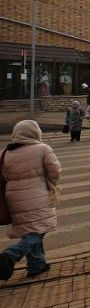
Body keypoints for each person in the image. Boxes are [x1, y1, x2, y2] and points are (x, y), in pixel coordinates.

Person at [0, 120, 61, 281]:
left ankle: (37, 265)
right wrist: (51, 184)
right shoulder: (42, 149)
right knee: (38, 230)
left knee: (31, 228)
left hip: (13, 197)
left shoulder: (5, 153)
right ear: (35, 132)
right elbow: (55, 171)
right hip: (38, 194)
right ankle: (10, 255)